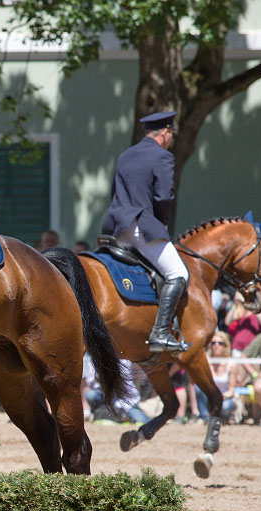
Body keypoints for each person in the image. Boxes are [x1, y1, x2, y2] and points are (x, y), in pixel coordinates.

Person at [101, 110, 188, 352]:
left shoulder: (125, 156)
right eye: (171, 134)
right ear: (166, 132)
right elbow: (163, 196)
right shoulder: (162, 156)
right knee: (178, 273)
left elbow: (115, 194)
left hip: (117, 228)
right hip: (141, 226)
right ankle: (160, 333)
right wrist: (160, 225)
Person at [194, 331, 236, 422]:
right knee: (197, 388)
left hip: (224, 398)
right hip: (209, 397)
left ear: (225, 346)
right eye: (213, 343)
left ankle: (221, 418)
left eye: (220, 343)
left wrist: (223, 396)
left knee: (225, 406)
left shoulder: (231, 364)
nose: (216, 345)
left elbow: (232, 390)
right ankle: (204, 417)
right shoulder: (206, 361)